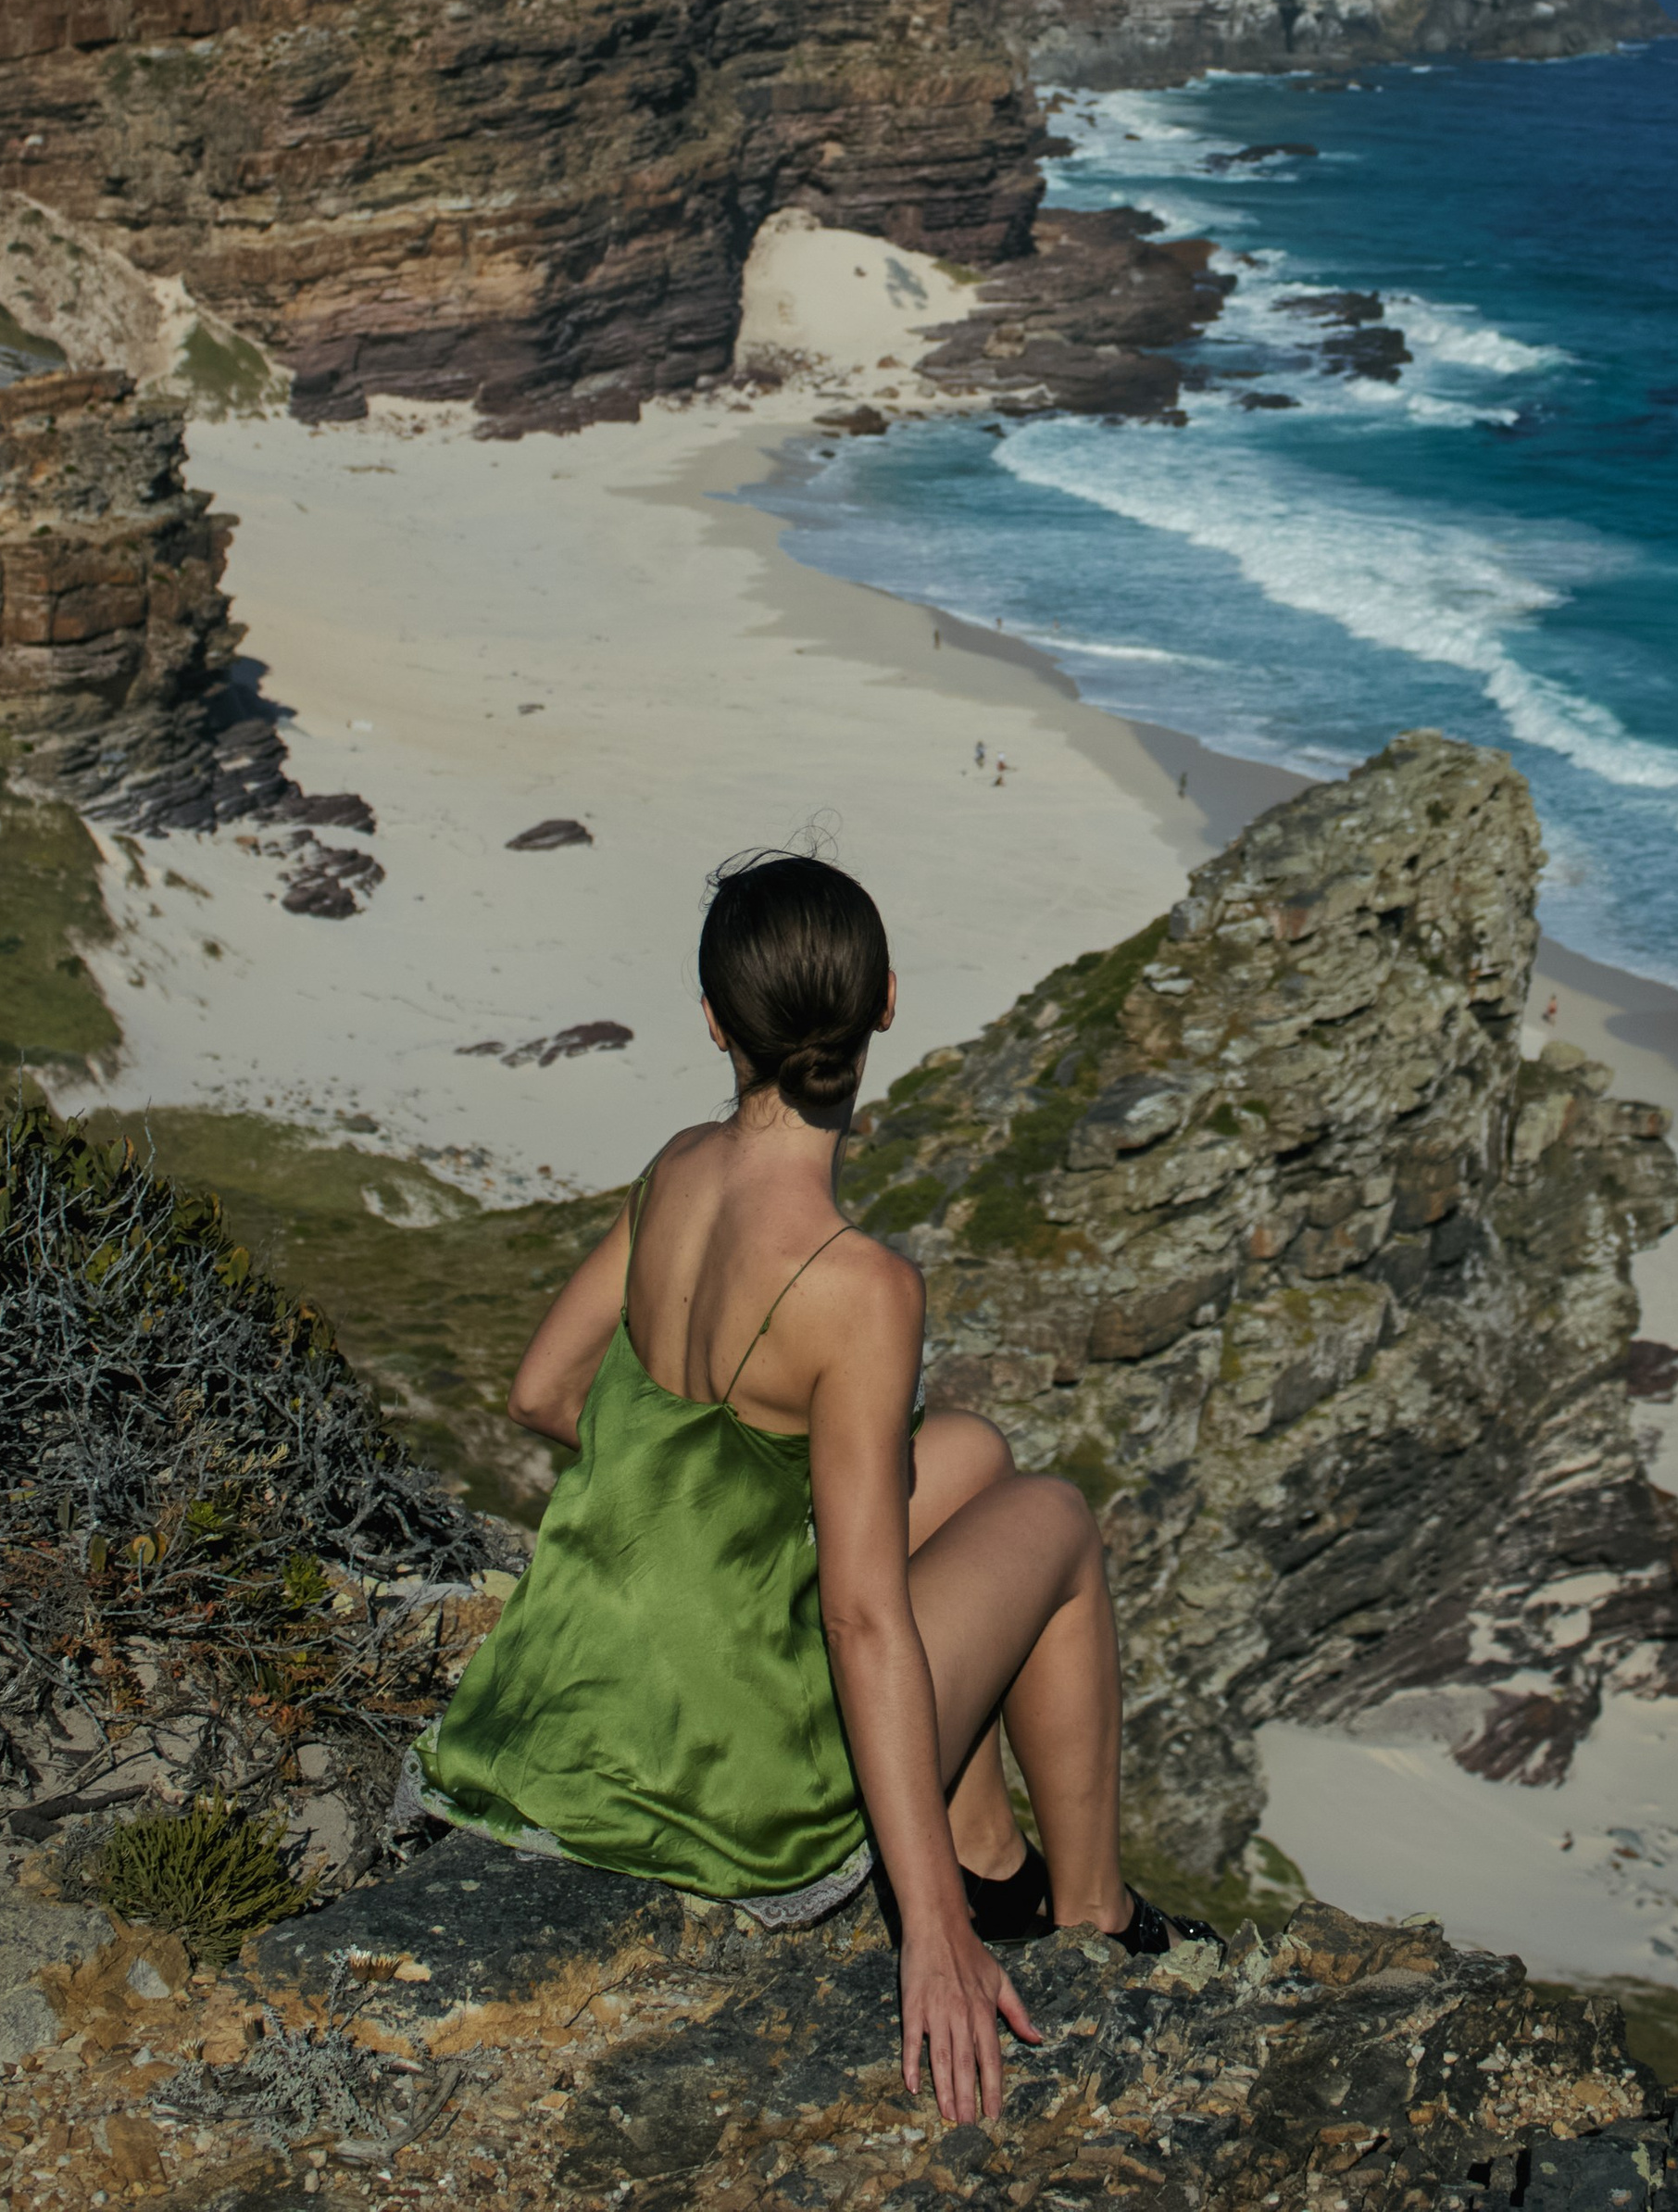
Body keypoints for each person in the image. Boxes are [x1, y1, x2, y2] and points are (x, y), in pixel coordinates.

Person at [414, 849, 1211, 2124]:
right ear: (886, 1004)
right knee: (1053, 1521)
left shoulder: (676, 1169)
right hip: (733, 1775)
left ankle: (992, 1852)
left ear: (716, 1022)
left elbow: (544, 1397)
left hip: (564, 1699)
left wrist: (699, 1522)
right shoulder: (864, 1289)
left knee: (972, 1459)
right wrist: (930, 1937)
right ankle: (1086, 1918)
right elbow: (856, 1615)